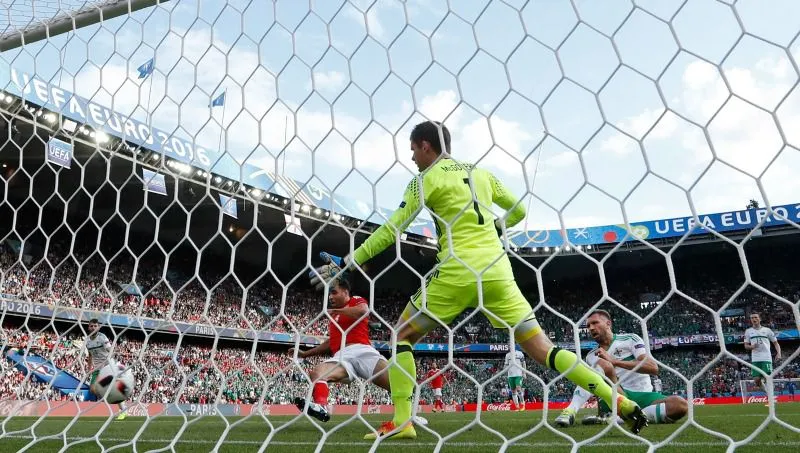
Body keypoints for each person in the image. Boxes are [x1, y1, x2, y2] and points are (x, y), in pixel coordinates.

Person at [309, 121, 648, 440]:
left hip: (457, 270)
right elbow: (517, 211)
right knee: (544, 349)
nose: (412, 157)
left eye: (413, 149)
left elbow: (392, 228)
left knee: (403, 333)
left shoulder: (424, 180)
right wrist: (493, 230)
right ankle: (619, 401)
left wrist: (350, 261)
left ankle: (402, 421)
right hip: (498, 271)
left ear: (426, 146)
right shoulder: (481, 173)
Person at [554, 310, 687, 427]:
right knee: (599, 367)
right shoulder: (591, 355)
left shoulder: (630, 339)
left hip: (643, 395)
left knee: (680, 405)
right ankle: (570, 411)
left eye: (595, 323)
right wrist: (608, 365)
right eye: (588, 326)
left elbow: (653, 368)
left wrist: (615, 362)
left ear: (608, 324)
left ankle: (618, 419)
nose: (591, 328)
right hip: (615, 397)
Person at [289, 278, 391, 422]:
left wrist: (335, 310)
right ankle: (321, 406)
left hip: (362, 350)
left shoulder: (355, 301)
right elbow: (331, 342)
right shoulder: (334, 317)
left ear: (345, 292)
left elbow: (363, 311)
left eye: (334, 293)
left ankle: (409, 415)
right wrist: (305, 354)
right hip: (342, 356)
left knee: (394, 384)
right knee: (317, 373)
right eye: (329, 294)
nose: (330, 297)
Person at [84, 318, 127, 420]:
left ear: (98, 327)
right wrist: (89, 368)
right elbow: (90, 356)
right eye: (91, 326)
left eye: (95, 326)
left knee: (112, 389)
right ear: (88, 327)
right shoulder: (88, 341)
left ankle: (123, 410)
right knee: (93, 389)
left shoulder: (103, 337)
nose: (93, 328)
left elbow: (110, 350)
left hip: (108, 365)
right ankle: (111, 396)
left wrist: (110, 358)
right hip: (97, 367)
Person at [744, 313, 782, 405]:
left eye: (756, 317)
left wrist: (779, 353)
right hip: (755, 359)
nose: (754, 319)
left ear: (759, 319)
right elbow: (746, 346)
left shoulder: (767, 330)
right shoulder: (748, 331)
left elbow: (775, 343)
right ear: (751, 320)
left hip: (766, 358)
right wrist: (752, 346)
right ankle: (770, 395)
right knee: (756, 380)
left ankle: (771, 399)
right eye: (752, 318)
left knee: (767, 378)